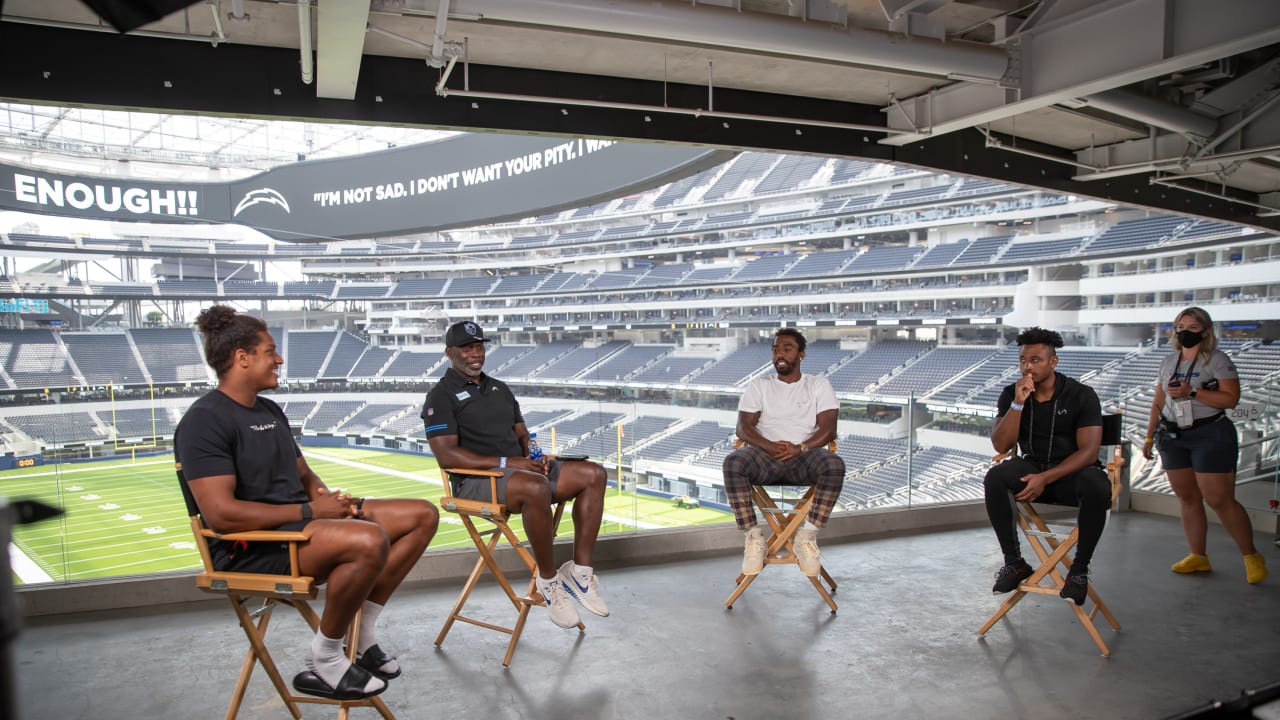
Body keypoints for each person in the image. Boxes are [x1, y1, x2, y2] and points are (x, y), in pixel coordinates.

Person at [174, 306, 439, 701]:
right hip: (249, 546)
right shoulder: (203, 420)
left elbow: (305, 477)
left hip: (298, 527)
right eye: (270, 351)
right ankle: (325, 658)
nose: (279, 359)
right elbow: (222, 515)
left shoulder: (268, 410)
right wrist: (312, 513)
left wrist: (328, 502)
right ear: (241, 357)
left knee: (422, 515)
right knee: (367, 540)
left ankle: (362, 633)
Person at [422, 321, 610, 629]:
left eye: (479, 347)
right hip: (475, 482)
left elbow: (522, 433)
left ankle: (580, 574)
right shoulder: (440, 396)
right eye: (467, 348)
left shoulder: (499, 388)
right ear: (449, 353)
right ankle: (549, 581)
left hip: (520, 472)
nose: (475, 354)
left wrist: (535, 455)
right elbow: (446, 456)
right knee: (535, 488)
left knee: (594, 474)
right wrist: (509, 462)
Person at [985, 327, 1111, 606]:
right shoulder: (1011, 394)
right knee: (995, 477)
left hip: (1069, 474)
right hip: (1030, 470)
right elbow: (1001, 446)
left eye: (1035, 360)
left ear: (1053, 361)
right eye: (1022, 360)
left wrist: (1047, 477)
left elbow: (1090, 452)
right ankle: (1014, 562)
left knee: (1097, 484)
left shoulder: (1081, 395)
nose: (1027, 367)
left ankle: (1078, 571)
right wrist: (1018, 403)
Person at [1143, 307, 1267, 584]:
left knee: (1219, 499)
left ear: (1206, 331)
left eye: (1192, 327)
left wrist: (1194, 392)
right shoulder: (1168, 361)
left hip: (1209, 433)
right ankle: (1198, 555)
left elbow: (1230, 399)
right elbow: (1158, 401)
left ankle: (1251, 555)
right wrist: (1150, 436)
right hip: (1173, 436)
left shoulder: (1217, 360)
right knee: (1187, 497)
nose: (1185, 331)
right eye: (1180, 326)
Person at [722, 328, 844, 578]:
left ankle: (806, 537)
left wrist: (800, 448)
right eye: (776, 349)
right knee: (733, 462)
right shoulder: (760, 385)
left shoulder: (818, 384)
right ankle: (754, 539)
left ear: (802, 354)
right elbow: (743, 427)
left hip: (805, 457)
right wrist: (769, 446)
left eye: (787, 348)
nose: (779, 354)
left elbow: (829, 428)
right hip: (765, 457)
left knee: (834, 464)